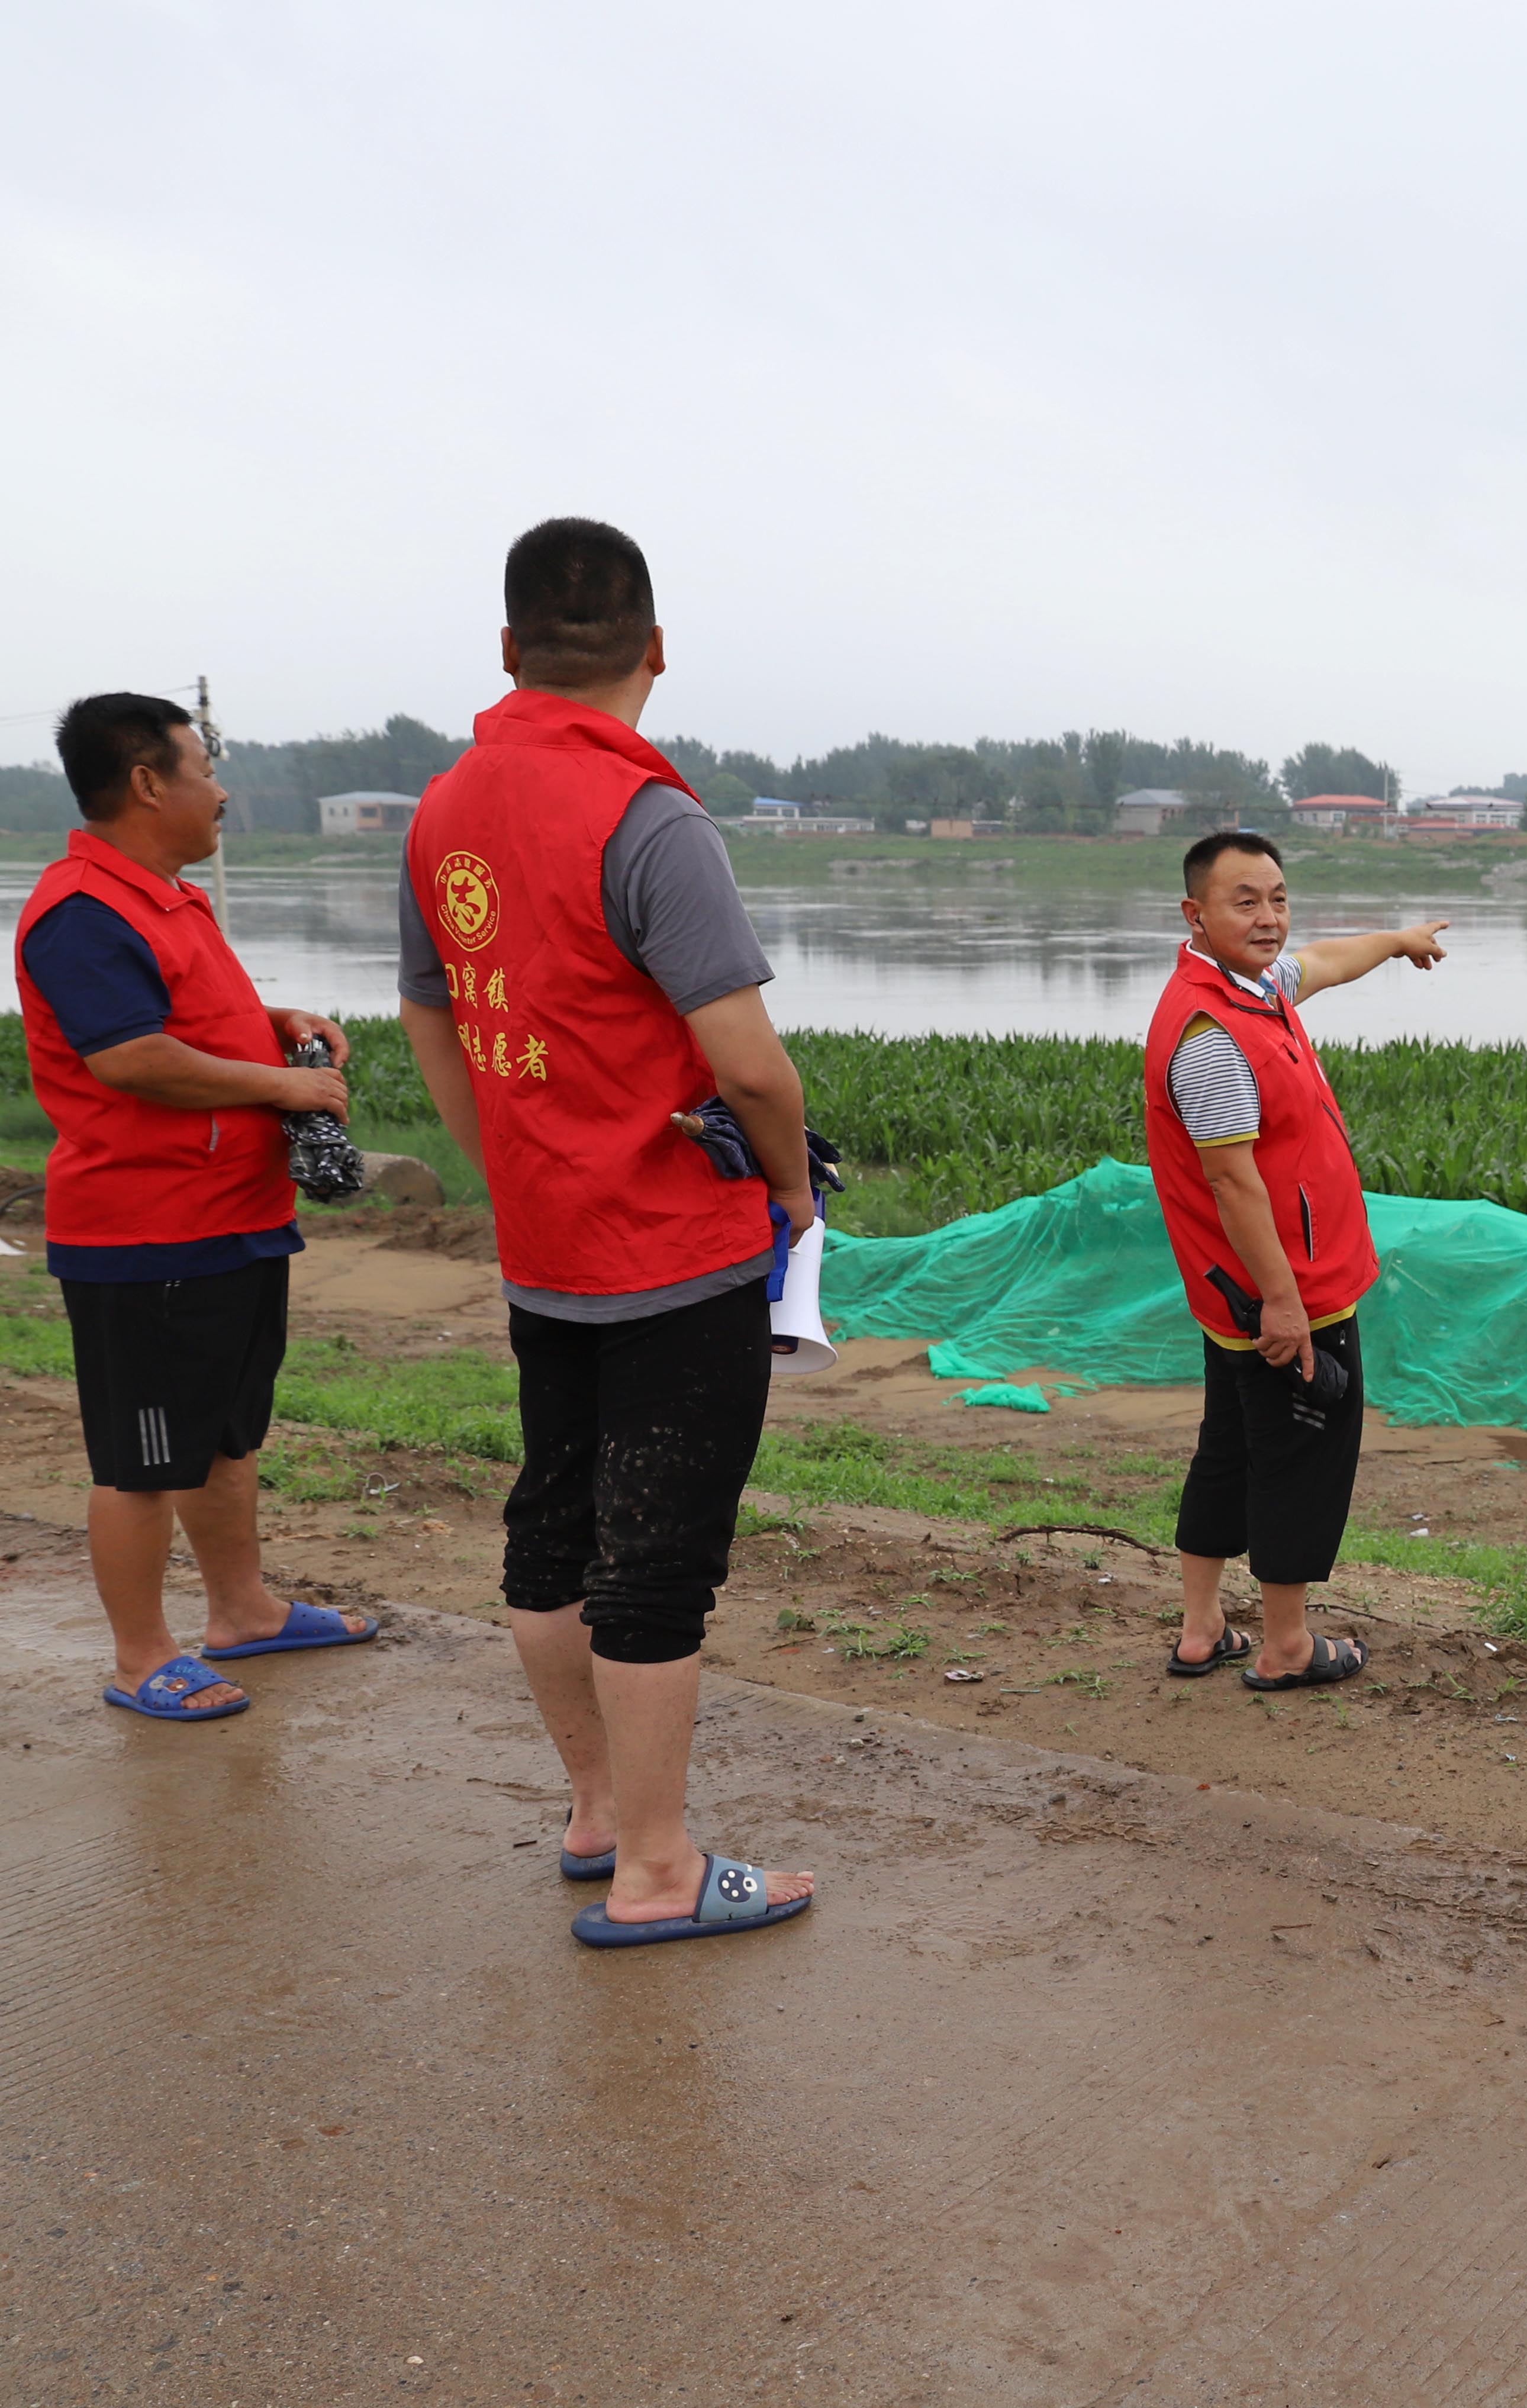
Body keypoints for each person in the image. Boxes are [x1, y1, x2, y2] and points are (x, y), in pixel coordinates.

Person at [398, 517, 817, 1948]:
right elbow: (750, 1064)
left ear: (510, 652)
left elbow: (430, 1016)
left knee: (554, 1526)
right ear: (654, 651)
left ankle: (593, 1814)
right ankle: (657, 1871)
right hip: (670, 1254)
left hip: (547, 1248)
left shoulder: (443, 808)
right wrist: (794, 1193)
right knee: (658, 1555)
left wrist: (501, 1162)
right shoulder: (652, 820)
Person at [15, 693, 375, 1721]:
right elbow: (130, 1056)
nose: (219, 791)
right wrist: (282, 1087)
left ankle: (245, 1611)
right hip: (145, 1232)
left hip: (233, 1214)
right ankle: (141, 1656)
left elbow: (181, 1013)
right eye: (204, 769)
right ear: (147, 783)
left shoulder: (166, 895)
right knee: (140, 1460)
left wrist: (273, 1022)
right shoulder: (81, 910)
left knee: (225, 1435)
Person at [1149, 830, 1447, 1690]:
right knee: (1299, 1456)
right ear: (1195, 914)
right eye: (1244, 901)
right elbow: (1232, 1183)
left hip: (1231, 1294)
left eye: (1277, 897)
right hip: (1284, 1293)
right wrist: (1283, 1303)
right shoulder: (1209, 1034)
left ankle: (1202, 1627)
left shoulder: (1254, 991)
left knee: (1231, 1447)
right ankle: (1286, 1645)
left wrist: (1396, 942)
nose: (1269, 917)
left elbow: (1322, 963)